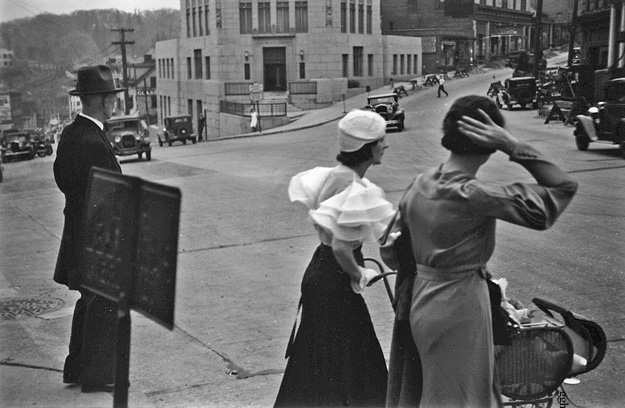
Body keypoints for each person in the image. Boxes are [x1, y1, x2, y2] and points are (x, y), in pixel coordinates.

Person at [386, 95, 578, 407]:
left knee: (442, 393)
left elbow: (393, 250)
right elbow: (563, 187)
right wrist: (511, 145)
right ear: (489, 142)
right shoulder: (472, 194)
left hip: (423, 300)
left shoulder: (421, 183)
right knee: (465, 397)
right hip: (461, 305)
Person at [275, 109, 395, 407]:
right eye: (381, 140)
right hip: (336, 279)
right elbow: (342, 247)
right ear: (367, 148)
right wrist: (359, 274)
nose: (385, 145)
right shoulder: (355, 187)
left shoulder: (333, 175)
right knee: (354, 359)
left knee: (319, 359)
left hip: (320, 270)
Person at [53, 65, 126, 393]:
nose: (114, 103)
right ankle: (96, 376)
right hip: (97, 237)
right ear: (101, 100)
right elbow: (107, 198)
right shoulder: (94, 142)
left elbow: (63, 180)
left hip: (78, 233)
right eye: (112, 97)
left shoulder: (71, 134)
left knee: (88, 300)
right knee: (103, 303)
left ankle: (77, 367)